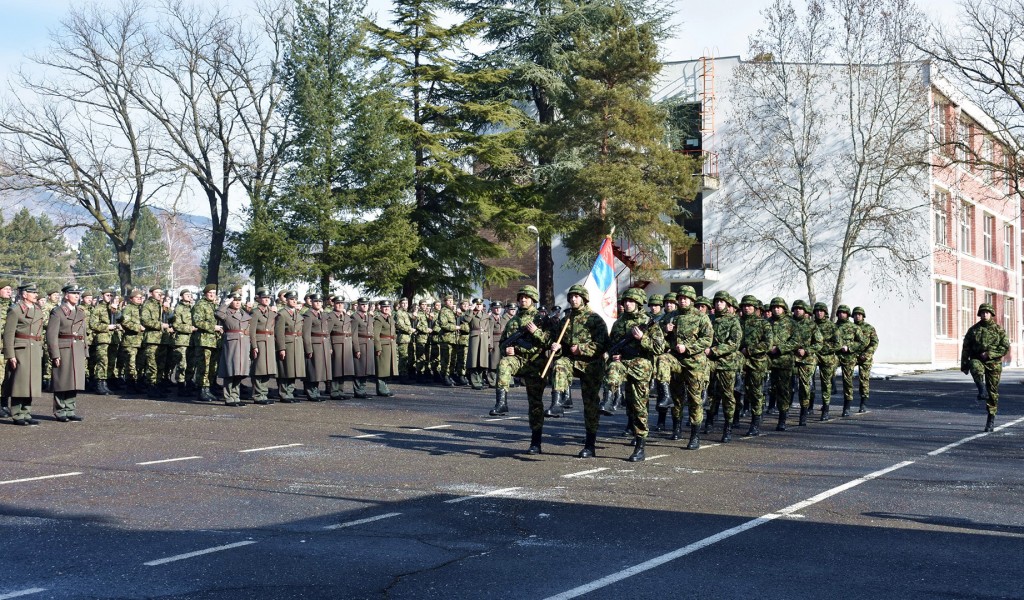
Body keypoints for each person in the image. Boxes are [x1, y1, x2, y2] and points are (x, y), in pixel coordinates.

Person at [604, 287, 665, 461]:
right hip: (623, 363)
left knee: (638, 407)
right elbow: (613, 344)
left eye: (631, 301)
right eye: (626, 301)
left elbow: (659, 348)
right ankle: (608, 399)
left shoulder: (649, 322)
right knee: (613, 369)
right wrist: (614, 355)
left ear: (639, 303)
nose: (627, 304)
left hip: (641, 367)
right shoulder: (619, 322)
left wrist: (642, 339)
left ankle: (640, 445)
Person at [548, 284, 609, 458]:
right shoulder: (566, 320)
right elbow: (561, 344)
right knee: (559, 365)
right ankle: (557, 402)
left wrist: (581, 349)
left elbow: (602, 344)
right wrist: (557, 347)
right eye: (571, 297)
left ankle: (590, 444)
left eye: (577, 296)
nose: (573, 299)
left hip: (591, 365)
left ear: (584, 299)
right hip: (572, 362)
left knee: (590, 405)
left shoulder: (595, 319)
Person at [493, 285, 550, 453]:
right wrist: (508, 350)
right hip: (517, 360)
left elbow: (549, 343)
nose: (523, 300)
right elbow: (503, 343)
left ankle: (536, 442)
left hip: (535, 364)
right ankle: (501, 402)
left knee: (535, 404)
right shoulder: (513, 321)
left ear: (533, 299)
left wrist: (536, 332)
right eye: (521, 297)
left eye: (527, 297)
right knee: (503, 364)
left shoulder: (542, 320)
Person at [670, 285, 713, 449]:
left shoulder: (701, 317)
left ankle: (695, 436)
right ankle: (676, 428)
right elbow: (660, 337)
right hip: (676, 361)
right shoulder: (672, 316)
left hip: (695, 364)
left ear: (692, 300)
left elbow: (706, 340)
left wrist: (688, 348)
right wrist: (666, 331)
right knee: (676, 397)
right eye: (680, 298)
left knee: (695, 400)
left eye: (685, 298)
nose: (682, 301)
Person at [3, 283, 46, 425]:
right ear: (24, 294)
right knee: (19, 383)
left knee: (31, 383)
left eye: (36, 292)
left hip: (34, 348)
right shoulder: (15, 310)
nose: (35, 295)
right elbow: (8, 334)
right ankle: (17, 414)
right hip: (20, 349)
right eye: (32, 292)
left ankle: (26, 412)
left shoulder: (38, 310)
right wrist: (11, 355)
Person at [961, 303, 1008, 432]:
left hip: (993, 363)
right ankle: (981, 389)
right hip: (978, 359)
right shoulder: (973, 330)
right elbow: (966, 347)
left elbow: (1005, 347)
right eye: (982, 312)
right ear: (979, 314)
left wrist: (990, 354)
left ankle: (991, 417)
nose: (985, 314)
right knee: (974, 365)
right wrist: (964, 364)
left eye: (987, 312)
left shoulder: (999, 330)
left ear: (991, 314)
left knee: (993, 392)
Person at [46, 285, 89, 422]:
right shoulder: (57, 312)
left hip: (77, 348)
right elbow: (51, 335)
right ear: (66, 295)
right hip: (64, 348)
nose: (77, 296)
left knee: (74, 381)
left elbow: (83, 333)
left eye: (78, 293)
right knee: (62, 381)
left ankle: (70, 410)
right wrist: (55, 354)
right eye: (73, 293)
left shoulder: (80, 312)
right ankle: (60, 410)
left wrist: (85, 350)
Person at [705, 292, 742, 442]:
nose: (719, 304)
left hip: (726, 364)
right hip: (710, 363)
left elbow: (734, 343)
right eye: (717, 301)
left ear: (727, 304)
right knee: (711, 395)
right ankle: (709, 421)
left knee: (727, 396)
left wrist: (714, 350)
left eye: (722, 301)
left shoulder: (733, 321)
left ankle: (728, 427)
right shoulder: (709, 319)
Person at [739, 296, 773, 436]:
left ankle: (755, 422)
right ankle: (735, 419)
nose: (747, 308)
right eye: (745, 306)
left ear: (755, 308)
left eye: (750, 306)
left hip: (757, 362)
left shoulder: (763, 324)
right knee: (738, 392)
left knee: (756, 393)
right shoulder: (738, 322)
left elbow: (768, 343)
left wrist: (750, 350)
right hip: (739, 362)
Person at [790, 300, 822, 426]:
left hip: (806, 361)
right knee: (787, 386)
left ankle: (803, 413)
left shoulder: (811, 325)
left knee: (805, 388)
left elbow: (819, 343)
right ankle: (784, 411)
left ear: (805, 311)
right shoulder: (788, 323)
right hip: (790, 359)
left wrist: (807, 351)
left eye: (800, 309)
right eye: (796, 308)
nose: (798, 310)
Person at [217, 291, 251, 407]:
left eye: (238, 300)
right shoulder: (226, 313)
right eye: (234, 300)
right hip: (232, 344)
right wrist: (226, 303)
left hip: (244, 343)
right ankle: (229, 397)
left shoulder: (244, 314)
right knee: (230, 371)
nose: (237, 302)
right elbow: (218, 314)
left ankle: (236, 396)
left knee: (239, 373)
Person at [192, 285, 222, 402]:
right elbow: (197, 322)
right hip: (204, 340)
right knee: (203, 366)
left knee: (212, 367)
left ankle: (208, 389)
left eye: (214, 293)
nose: (212, 295)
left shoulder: (214, 305)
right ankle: (201, 390)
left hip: (214, 341)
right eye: (210, 293)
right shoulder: (200, 305)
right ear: (205, 293)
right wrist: (213, 327)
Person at [275, 290, 306, 403]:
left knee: (294, 370)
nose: (294, 301)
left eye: (295, 299)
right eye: (291, 299)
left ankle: (290, 392)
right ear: (286, 300)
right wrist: (281, 348)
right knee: (285, 370)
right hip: (287, 344)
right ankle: (284, 393)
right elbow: (279, 333)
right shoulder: (282, 314)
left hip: (297, 344)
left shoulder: (298, 314)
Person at [834, 305, 865, 417]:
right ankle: (828, 396)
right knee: (828, 373)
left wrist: (849, 347)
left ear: (848, 314)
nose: (842, 314)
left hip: (849, 357)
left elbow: (861, 342)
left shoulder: (854, 328)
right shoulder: (833, 327)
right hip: (836, 356)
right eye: (840, 312)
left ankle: (847, 406)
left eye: (844, 312)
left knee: (847, 382)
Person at [140, 286, 170, 398]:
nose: (159, 294)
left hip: (163, 339)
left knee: (161, 365)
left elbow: (170, 319)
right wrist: (160, 325)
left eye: (160, 292)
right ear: (151, 293)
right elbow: (145, 320)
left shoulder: (162, 305)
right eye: (156, 292)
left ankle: (158, 385)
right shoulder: (148, 305)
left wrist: (168, 309)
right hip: (152, 339)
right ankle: (151, 387)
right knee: (152, 365)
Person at [249, 288, 278, 405]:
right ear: (259, 299)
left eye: (268, 298)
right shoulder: (255, 312)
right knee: (258, 369)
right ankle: (257, 395)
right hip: (260, 341)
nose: (266, 300)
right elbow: (252, 331)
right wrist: (254, 345)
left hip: (270, 342)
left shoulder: (272, 313)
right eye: (264, 298)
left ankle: (264, 394)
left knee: (268, 370)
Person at [301, 293, 332, 401]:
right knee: (313, 370)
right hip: (314, 345)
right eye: (316, 301)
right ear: (312, 302)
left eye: (320, 301)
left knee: (320, 370)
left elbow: (327, 332)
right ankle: (311, 393)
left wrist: (330, 346)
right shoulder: (308, 315)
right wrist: (308, 348)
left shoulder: (323, 315)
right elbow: (306, 334)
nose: (318, 303)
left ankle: (316, 391)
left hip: (324, 344)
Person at [813, 302, 839, 420]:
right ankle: (808, 407)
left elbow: (838, 343)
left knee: (826, 384)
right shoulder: (811, 325)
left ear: (825, 313)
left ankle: (826, 408)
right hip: (812, 356)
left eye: (821, 311)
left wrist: (824, 348)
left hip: (827, 357)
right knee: (808, 382)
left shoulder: (832, 326)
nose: (819, 313)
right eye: (817, 311)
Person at [852, 307, 878, 413]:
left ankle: (863, 402)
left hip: (865, 357)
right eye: (856, 314)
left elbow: (874, 342)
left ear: (863, 316)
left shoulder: (869, 328)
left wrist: (866, 354)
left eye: (860, 314)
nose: (858, 316)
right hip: (852, 356)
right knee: (847, 378)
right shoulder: (850, 327)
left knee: (864, 380)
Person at [328, 297, 355, 399]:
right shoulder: (330, 317)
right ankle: (334, 391)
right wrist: (329, 346)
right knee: (336, 369)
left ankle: (341, 391)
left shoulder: (347, 317)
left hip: (346, 344)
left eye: (341, 303)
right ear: (333, 304)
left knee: (343, 369)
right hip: (336, 344)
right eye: (337, 303)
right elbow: (327, 333)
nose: (340, 305)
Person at [170, 289, 196, 397]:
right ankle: (181, 386)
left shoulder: (193, 308)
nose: (189, 296)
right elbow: (177, 325)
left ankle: (189, 384)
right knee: (182, 364)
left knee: (191, 364)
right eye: (186, 295)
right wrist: (190, 328)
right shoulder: (179, 308)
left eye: (190, 295)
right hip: (182, 340)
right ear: (181, 296)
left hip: (192, 341)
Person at [119, 289, 145, 394]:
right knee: (131, 364)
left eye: (141, 297)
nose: (139, 299)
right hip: (130, 341)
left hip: (141, 341)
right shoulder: (128, 308)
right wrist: (138, 327)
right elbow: (125, 322)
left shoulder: (142, 309)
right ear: (131, 299)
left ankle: (138, 384)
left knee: (140, 364)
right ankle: (130, 385)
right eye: (137, 297)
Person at [372, 300, 398, 397]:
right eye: (384, 307)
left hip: (390, 346)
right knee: (381, 368)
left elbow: (393, 331)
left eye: (388, 306)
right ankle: (381, 389)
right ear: (380, 308)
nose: (386, 308)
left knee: (387, 369)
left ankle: (384, 387)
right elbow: (375, 335)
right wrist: (378, 348)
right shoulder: (379, 320)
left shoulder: (390, 318)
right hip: (383, 346)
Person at [351, 297, 375, 398]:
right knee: (359, 369)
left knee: (366, 370)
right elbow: (354, 334)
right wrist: (356, 349)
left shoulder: (369, 317)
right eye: (362, 304)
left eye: (366, 304)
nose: (365, 306)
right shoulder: (355, 317)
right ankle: (358, 391)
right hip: (360, 344)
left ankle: (363, 389)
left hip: (369, 345)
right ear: (359, 305)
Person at [466, 299, 491, 390]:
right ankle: (475, 382)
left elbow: (488, 329)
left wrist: (489, 342)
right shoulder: (471, 314)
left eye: (480, 304)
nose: (479, 306)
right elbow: (466, 320)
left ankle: (479, 380)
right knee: (474, 360)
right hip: (474, 338)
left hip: (484, 338)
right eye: (477, 304)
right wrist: (470, 310)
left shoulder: (485, 315)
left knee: (482, 361)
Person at [0, 279, 13, 416]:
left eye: (10, 289)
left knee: (7, 379)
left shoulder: (12, 307)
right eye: (6, 289)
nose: (9, 291)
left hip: (9, 348)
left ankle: (4, 404)